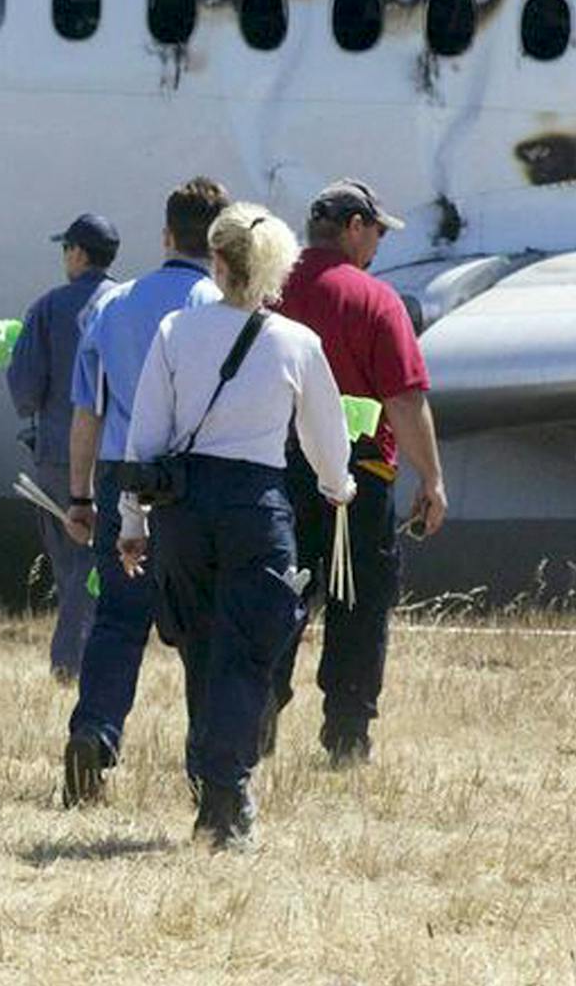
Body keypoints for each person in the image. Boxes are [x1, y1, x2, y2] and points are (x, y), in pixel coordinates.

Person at [118, 204, 354, 848]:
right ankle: (227, 793)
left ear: (216, 264)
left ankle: (211, 780)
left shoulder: (174, 330)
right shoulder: (296, 343)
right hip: (256, 504)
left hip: (184, 508)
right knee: (249, 651)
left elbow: (147, 435)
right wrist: (339, 489)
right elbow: (324, 439)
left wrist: (133, 518)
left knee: (198, 644)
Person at [264, 179, 448, 766]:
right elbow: (404, 398)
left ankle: (256, 717)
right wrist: (432, 479)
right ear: (352, 226)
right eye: (374, 232)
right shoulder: (374, 300)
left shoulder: (266, 294)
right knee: (358, 604)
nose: (377, 245)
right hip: (357, 481)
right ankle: (346, 735)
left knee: (274, 597)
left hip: (278, 475)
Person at [60, 177, 230, 806]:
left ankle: (95, 733)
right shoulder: (226, 307)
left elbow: (88, 412)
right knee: (203, 627)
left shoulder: (112, 305)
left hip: (121, 472)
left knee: (117, 620)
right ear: (220, 239)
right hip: (199, 479)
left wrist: (80, 496)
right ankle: (207, 765)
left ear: (165, 235)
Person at [6, 212, 120, 682]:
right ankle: (100, 652)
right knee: (108, 558)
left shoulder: (49, 308)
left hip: (58, 451)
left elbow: (25, 392)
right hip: (120, 451)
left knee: (73, 561)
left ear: (77, 253)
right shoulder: (126, 303)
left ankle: (70, 663)